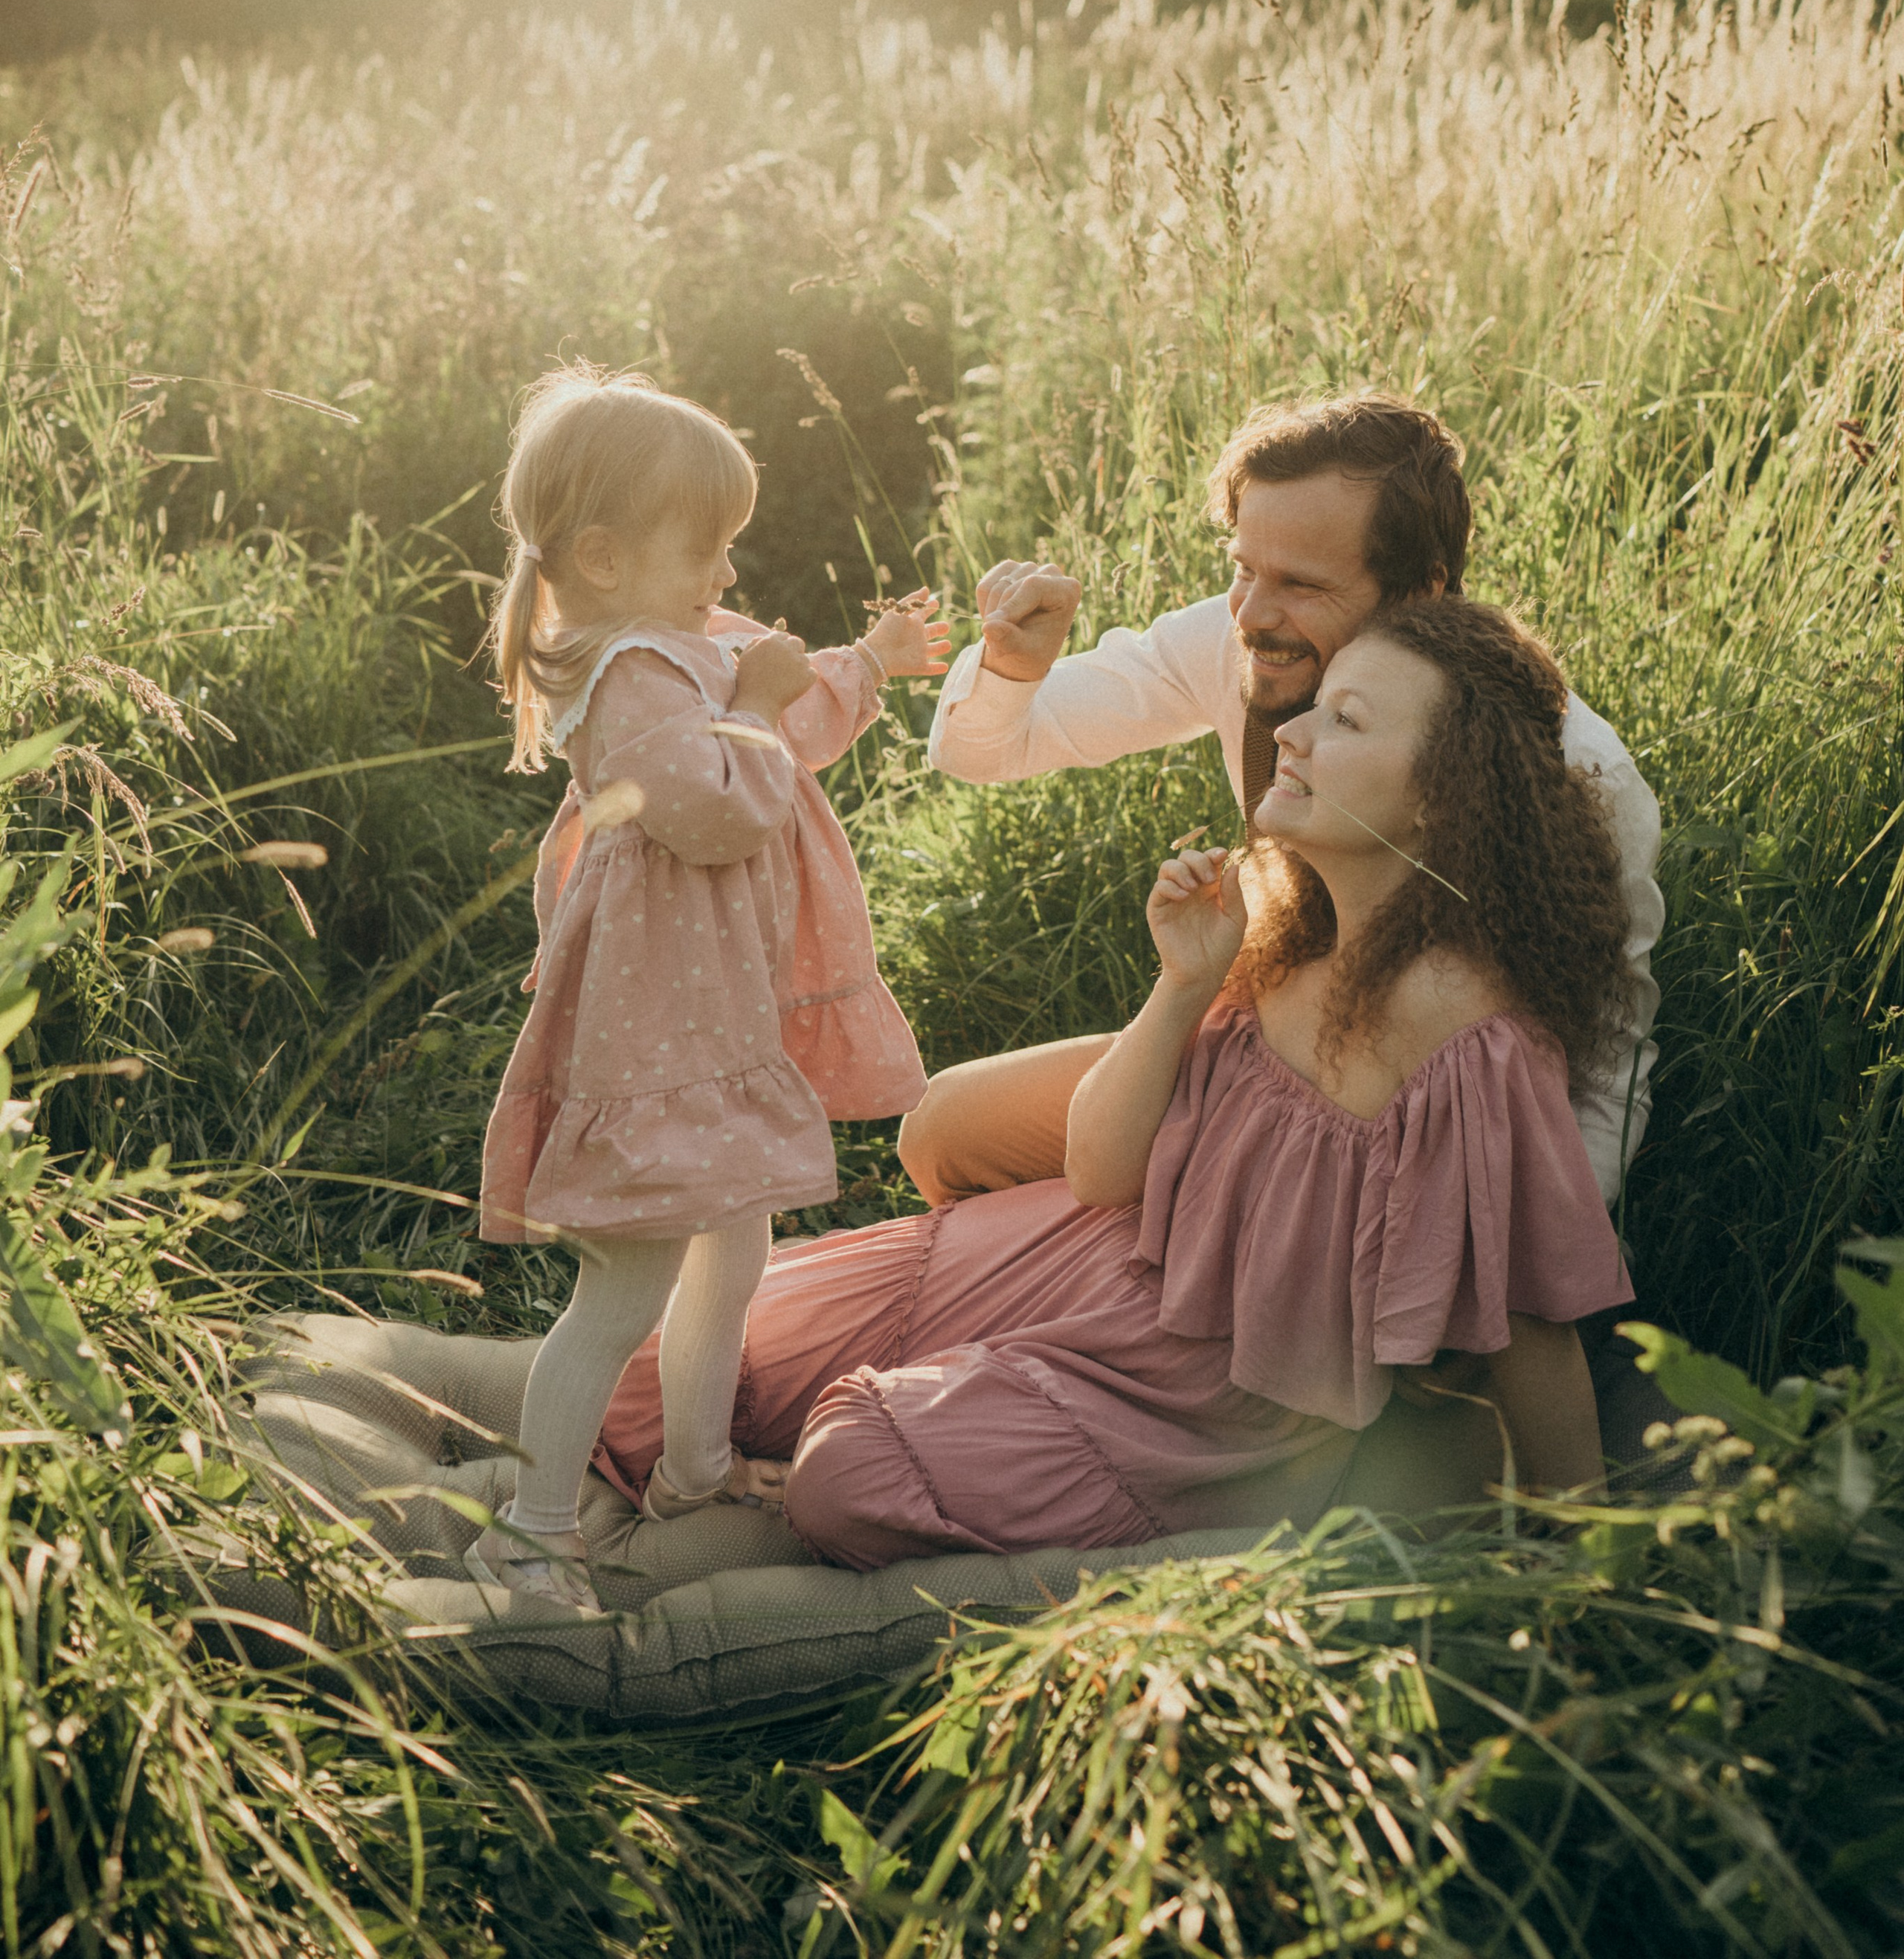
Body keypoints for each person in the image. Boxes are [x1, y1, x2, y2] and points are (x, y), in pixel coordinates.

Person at [593, 599, 1631, 1564]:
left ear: (1442, 796)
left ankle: (825, 1494)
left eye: (1348, 722)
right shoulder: (1280, 918)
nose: (1297, 734)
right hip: (1079, 1252)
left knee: (848, 1473)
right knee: (650, 1384)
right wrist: (1186, 985)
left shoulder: (1461, 1021)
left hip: (1183, 1397)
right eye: (1315, 708)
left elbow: (1535, 1324)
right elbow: (1099, 1169)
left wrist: (1588, 1568)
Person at [903, 393, 1664, 1215]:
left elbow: (1604, 1056)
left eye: (1300, 584)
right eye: (1241, 568)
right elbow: (982, 749)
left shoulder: (1567, 767)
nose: (1252, 615)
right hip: (1253, 1055)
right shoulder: (1235, 639)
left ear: (1420, 591)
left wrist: (1549, 1261)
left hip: (1407, 1139)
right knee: (940, 1131)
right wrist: (1013, 665)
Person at [467, 367, 946, 1609]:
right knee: (623, 1284)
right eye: (710, 551)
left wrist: (871, 659)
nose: (729, 578)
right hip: (657, 1033)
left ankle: (693, 1466)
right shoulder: (628, 674)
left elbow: (778, 695)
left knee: (734, 1250)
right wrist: (764, 704)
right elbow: (725, 804)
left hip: (715, 1015)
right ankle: (529, 1531)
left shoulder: (680, 641)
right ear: (606, 557)